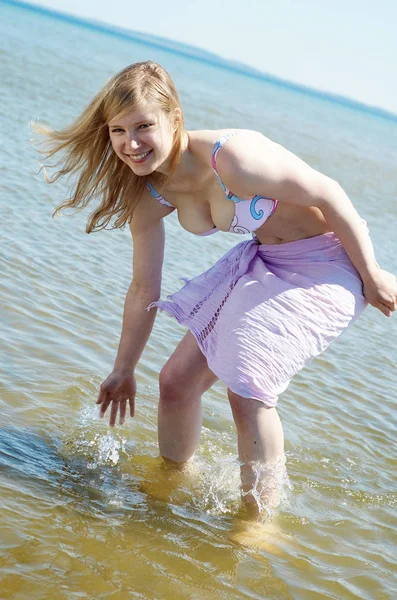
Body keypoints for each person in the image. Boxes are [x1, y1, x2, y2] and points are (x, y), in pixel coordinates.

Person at [37, 61, 397, 514]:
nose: (131, 143)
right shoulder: (151, 195)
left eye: (144, 125)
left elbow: (330, 193)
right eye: (117, 131)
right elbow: (142, 287)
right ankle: (169, 489)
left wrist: (373, 272)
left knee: (247, 385)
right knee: (174, 382)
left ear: (174, 118)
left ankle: (257, 524)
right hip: (267, 260)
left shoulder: (233, 160)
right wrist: (123, 368)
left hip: (331, 262)